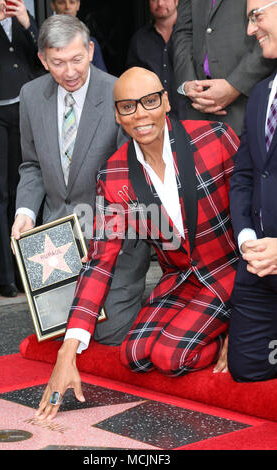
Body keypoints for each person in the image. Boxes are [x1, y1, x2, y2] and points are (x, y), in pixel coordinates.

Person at [35, 66, 240, 421]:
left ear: (166, 103)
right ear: (118, 115)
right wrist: (67, 352)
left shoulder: (214, 138)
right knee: (134, 353)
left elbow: (260, 215)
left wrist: (250, 313)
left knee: (171, 356)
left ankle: (226, 331)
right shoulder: (114, 175)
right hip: (181, 279)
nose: (140, 114)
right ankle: (209, 330)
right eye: (128, 106)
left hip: (230, 271)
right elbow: (100, 261)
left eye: (149, 101)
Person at [11, 15, 150, 348]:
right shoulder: (30, 96)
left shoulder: (119, 92)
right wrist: (26, 213)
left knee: (109, 336)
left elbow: (132, 175)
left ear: (90, 51)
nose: (69, 71)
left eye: (76, 59)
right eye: (58, 63)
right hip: (57, 243)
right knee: (62, 337)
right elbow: (31, 164)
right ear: (43, 59)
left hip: (113, 237)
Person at [0, 0, 41, 297]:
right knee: (0, 193)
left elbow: (42, 57)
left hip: (23, 110)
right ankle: (5, 276)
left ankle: (29, 270)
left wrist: (27, 23)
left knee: (25, 190)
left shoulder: (23, 20)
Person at [228, 0, 277, 382]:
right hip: (258, 265)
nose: (249, 30)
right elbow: (245, 175)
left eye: (255, 16)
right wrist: (247, 238)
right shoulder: (261, 94)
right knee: (246, 369)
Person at [172, 0, 277, 136]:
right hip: (196, 109)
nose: (250, 29)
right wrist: (188, 84)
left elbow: (270, 26)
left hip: (245, 103)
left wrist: (235, 85)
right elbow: (182, 31)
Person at [126, 0, 180, 116]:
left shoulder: (190, 34)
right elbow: (132, 81)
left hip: (188, 115)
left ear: (177, 1)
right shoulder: (139, 39)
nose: (160, 3)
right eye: (154, 0)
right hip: (152, 115)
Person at [50, 0, 107, 72]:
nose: (67, 7)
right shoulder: (46, 42)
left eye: (72, 2)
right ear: (53, 5)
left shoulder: (90, 42)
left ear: (78, 5)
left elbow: (102, 77)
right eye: (61, 2)